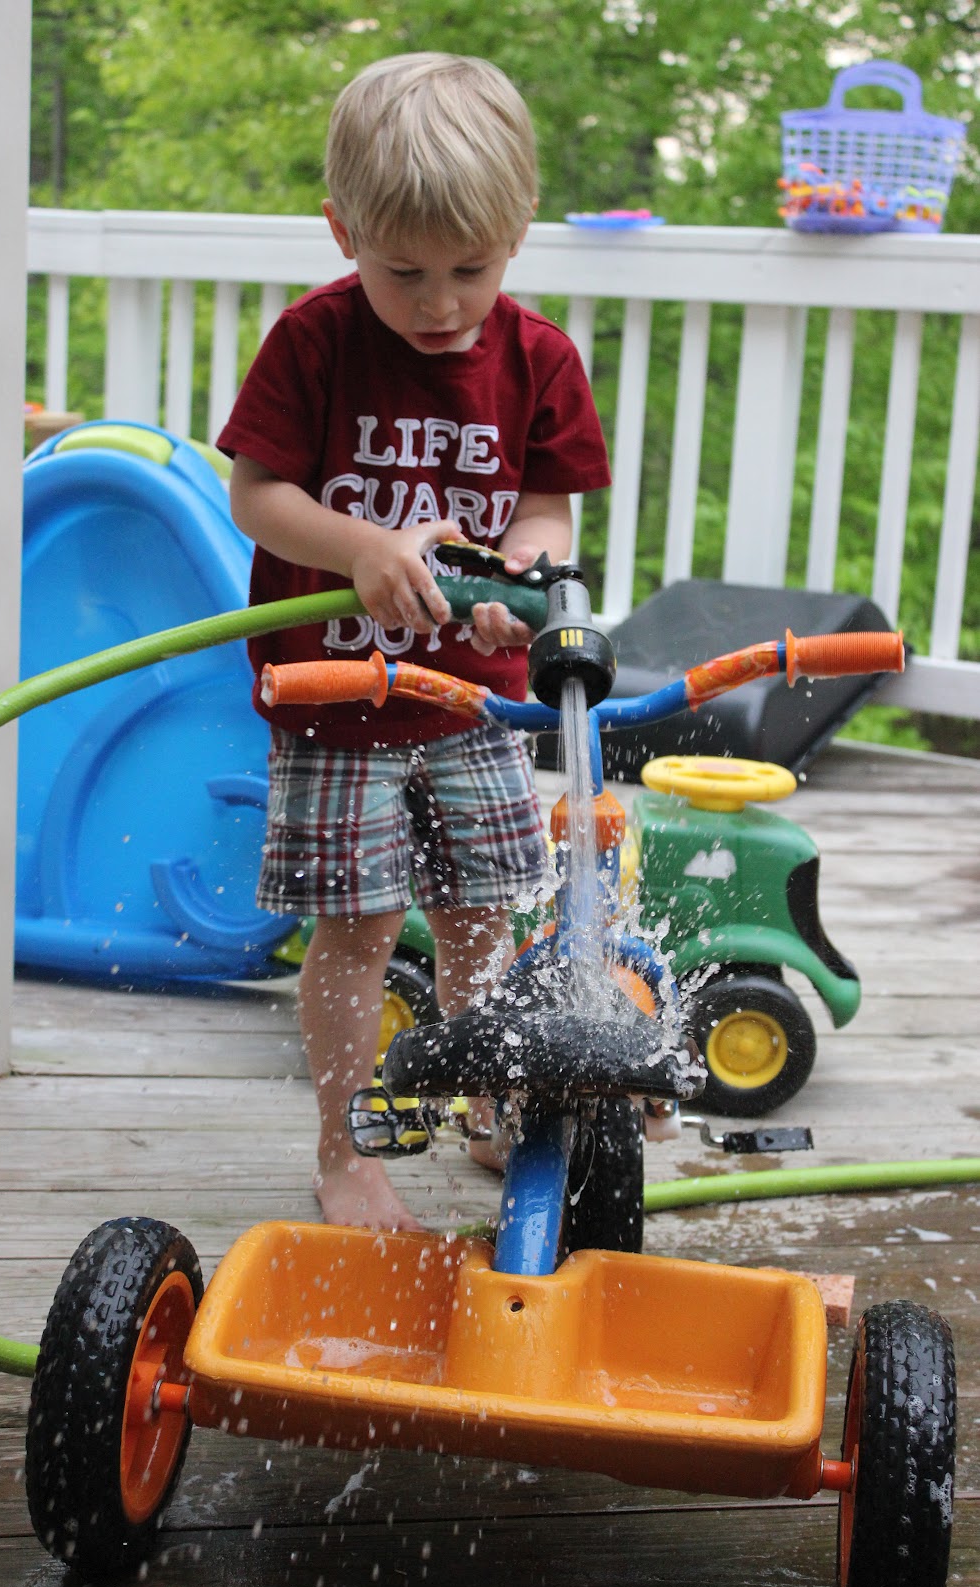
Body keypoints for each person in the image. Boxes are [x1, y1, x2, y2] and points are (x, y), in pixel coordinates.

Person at [218, 51, 611, 1230]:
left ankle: (488, 1104)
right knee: (358, 927)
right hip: (340, 697)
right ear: (343, 232)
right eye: (404, 272)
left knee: (483, 908)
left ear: (516, 233)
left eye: (469, 270)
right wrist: (356, 546)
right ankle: (346, 1151)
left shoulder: (537, 359)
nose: (440, 302)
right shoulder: (315, 341)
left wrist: (526, 574)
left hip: (475, 697)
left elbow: (544, 508)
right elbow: (256, 493)